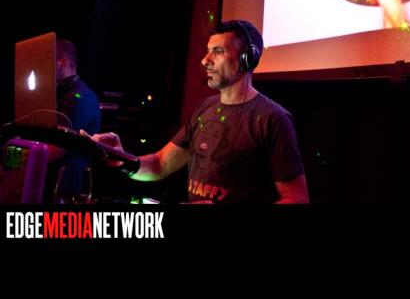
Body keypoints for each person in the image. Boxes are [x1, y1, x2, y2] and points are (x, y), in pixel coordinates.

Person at [91, 20, 309, 204]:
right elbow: (160, 164)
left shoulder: (273, 118)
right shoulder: (205, 108)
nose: (205, 60)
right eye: (208, 51)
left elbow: (297, 198)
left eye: (218, 51)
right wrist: (122, 159)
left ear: (247, 59)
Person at [46, 38, 101, 201]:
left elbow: (55, 151)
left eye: (48, 61)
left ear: (63, 62)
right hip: (59, 183)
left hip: (67, 189)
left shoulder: (78, 97)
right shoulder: (66, 94)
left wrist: (20, 151)